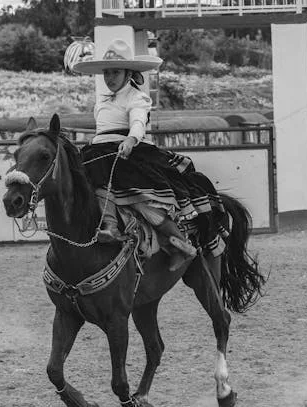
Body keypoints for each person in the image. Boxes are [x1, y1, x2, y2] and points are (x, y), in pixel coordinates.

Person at [72, 39, 226, 271]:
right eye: (107, 73)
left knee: (143, 201)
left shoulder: (138, 98)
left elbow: (138, 122)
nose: (110, 77)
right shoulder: (101, 103)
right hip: (99, 153)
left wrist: (131, 139)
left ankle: (180, 243)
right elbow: (101, 131)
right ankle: (105, 228)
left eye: (115, 72)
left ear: (128, 73)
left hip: (129, 154)